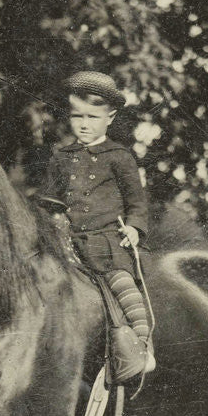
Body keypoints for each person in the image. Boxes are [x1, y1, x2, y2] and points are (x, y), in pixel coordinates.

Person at [41, 70, 155, 373]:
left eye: (93, 116)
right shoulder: (61, 157)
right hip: (68, 246)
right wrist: (51, 219)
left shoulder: (119, 157)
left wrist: (134, 227)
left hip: (107, 246)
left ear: (110, 117)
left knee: (124, 289)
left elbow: (137, 203)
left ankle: (141, 346)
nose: (84, 124)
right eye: (77, 116)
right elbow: (50, 201)